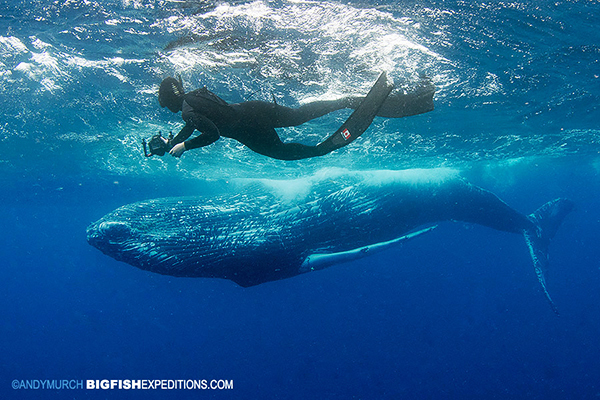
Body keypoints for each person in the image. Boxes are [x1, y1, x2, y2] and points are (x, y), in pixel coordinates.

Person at [157, 75, 434, 161]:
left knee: (290, 153)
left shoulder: (187, 110)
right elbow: (193, 124)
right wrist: (175, 140)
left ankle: (326, 146)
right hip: (255, 110)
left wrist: (184, 146)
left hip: (249, 131)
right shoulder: (192, 98)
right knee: (300, 117)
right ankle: (347, 101)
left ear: (169, 103)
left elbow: (211, 133)